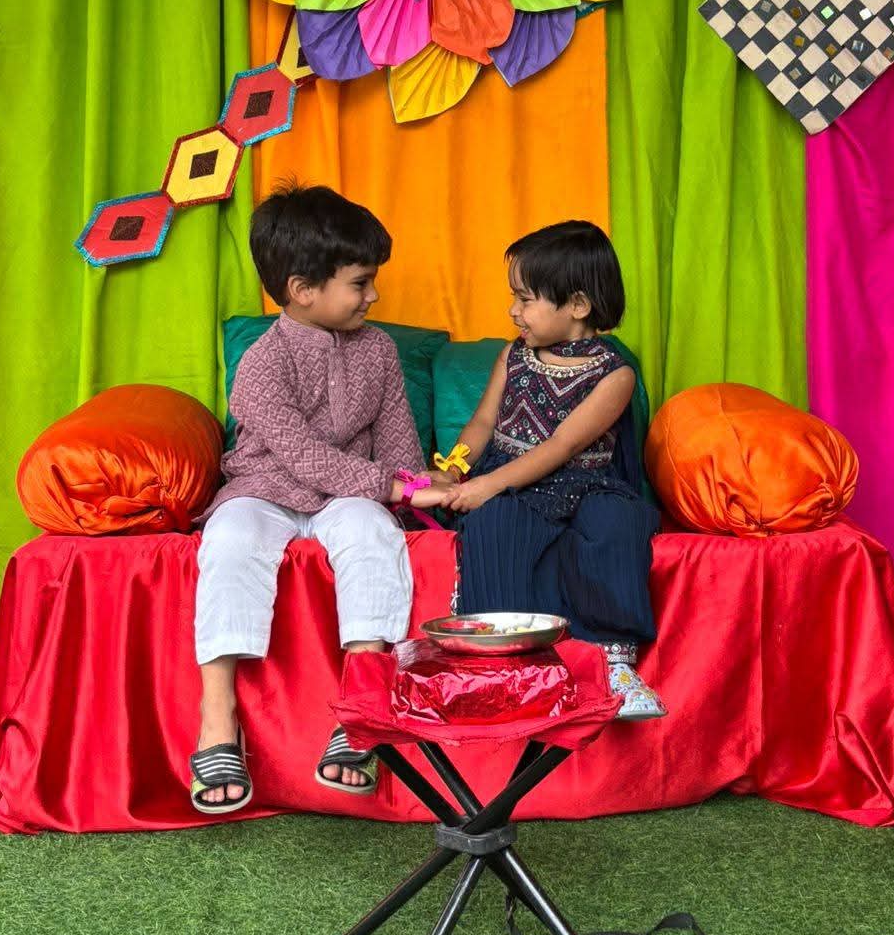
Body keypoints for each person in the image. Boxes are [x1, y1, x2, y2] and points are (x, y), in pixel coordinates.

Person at [190, 183, 452, 813]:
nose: (374, 295)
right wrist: (385, 484)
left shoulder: (380, 351)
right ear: (303, 289)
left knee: (371, 531)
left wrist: (426, 490)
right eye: (360, 283)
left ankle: (361, 703)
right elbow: (300, 457)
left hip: (346, 500)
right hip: (265, 490)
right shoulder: (261, 364)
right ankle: (217, 714)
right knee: (229, 539)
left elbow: (396, 449)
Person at [445, 221, 665, 719]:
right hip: (512, 481)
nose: (512, 310)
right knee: (494, 523)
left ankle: (615, 663)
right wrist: (455, 471)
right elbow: (482, 422)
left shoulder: (615, 374)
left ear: (578, 306)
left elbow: (563, 446)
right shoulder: (515, 354)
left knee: (617, 523)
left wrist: (487, 484)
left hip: (585, 482)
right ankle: (511, 666)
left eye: (525, 300)